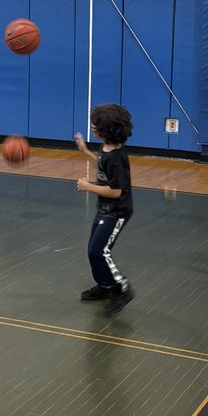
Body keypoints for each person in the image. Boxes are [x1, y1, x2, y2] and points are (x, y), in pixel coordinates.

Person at [74, 103, 134, 316]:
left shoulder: (116, 158)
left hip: (116, 211)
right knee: (93, 250)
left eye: (95, 124)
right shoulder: (108, 149)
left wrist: (89, 187)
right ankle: (105, 286)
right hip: (105, 209)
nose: (92, 126)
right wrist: (85, 151)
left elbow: (116, 191)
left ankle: (121, 288)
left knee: (100, 251)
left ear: (106, 129)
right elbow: (101, 163)